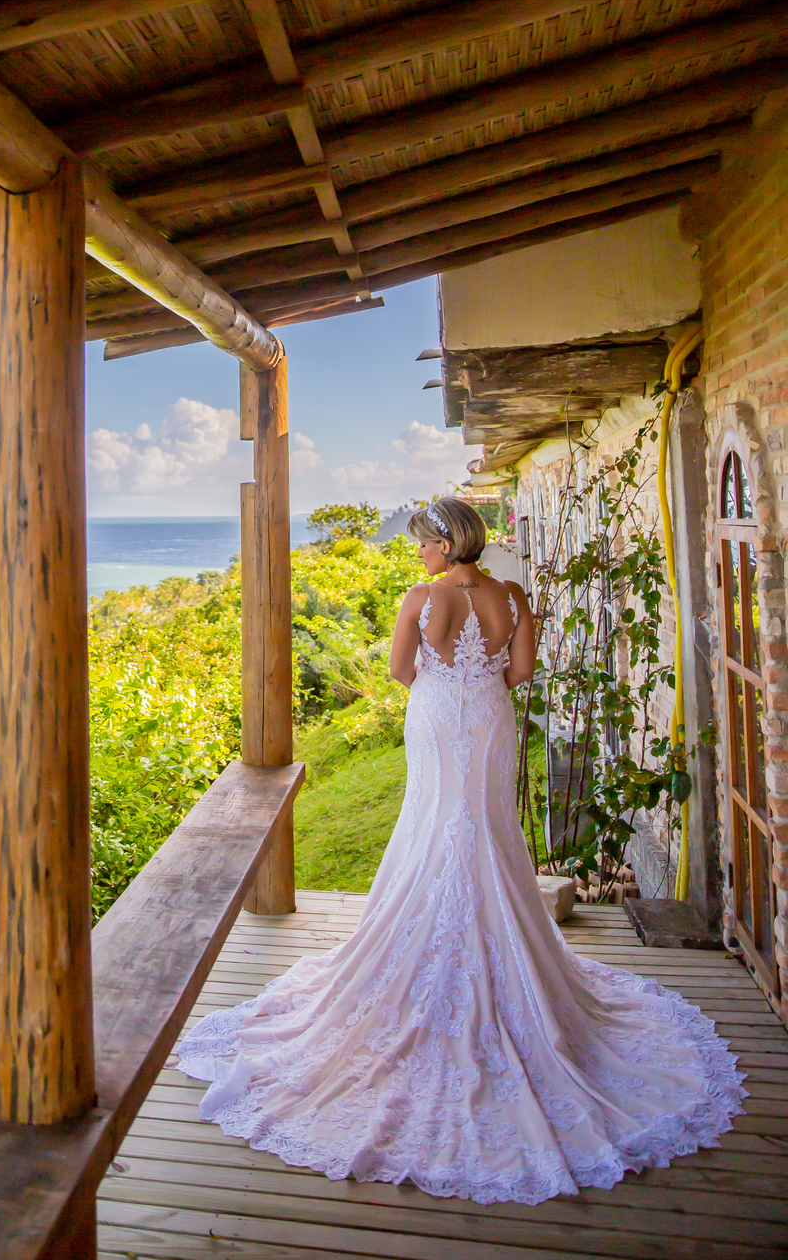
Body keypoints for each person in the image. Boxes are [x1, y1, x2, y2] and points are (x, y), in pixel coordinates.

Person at [175, 497, 745, 1205]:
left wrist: (444, 685)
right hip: (491, 720)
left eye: (422, 543)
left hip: (440, 719)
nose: (417, 554)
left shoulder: (422, 598)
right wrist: (477, 682)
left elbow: (397, 670)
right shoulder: (511, 596)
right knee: (486, 829)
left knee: (435, 823)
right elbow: (521, 674)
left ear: (446, 544)